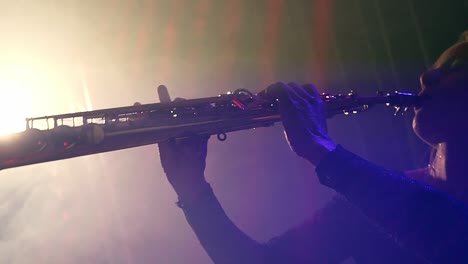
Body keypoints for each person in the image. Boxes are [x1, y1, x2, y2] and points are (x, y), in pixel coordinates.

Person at [158, 32, 468, 264]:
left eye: (457, 66)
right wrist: (193, 190)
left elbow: (451, 234)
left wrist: (323, 151)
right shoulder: (375, 194)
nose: (428, 76)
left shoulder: (379, 194)